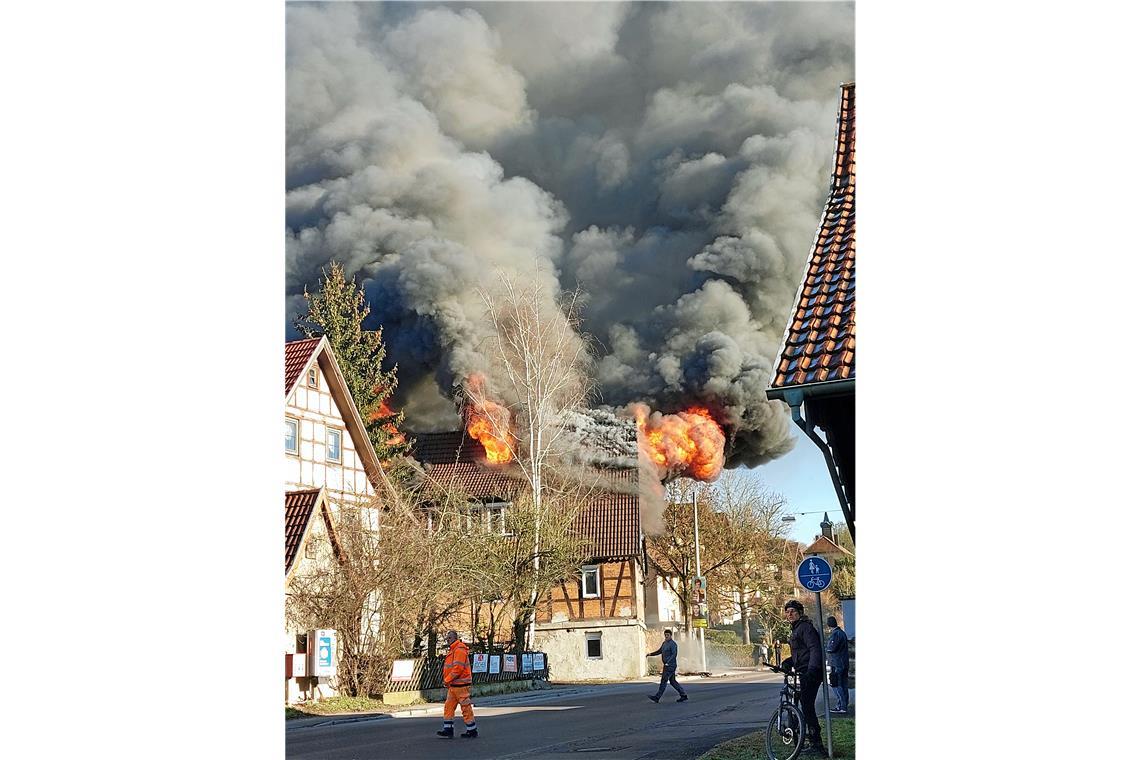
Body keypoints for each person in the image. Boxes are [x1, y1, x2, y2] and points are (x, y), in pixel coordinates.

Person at [785, 600, 826, 755]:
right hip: (803, 671)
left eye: (793, 611)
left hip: (810, 673)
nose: (790, 614)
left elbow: (814, 649)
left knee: (807, 707)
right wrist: (788, 662)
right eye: (787, 611)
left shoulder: (805, 628)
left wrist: (812, 670)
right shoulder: (796, 629)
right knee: (804, 705)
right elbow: (801, 652)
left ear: (800, 613)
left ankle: (817, 745)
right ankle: (809, 739)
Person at [436, 630, 477, 739]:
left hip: (461, 685)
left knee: (465, 708)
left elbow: (457, 669)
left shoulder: (459, 650)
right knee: (448, 707)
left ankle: (472, 730)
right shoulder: (454, 650)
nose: (447, 640)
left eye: (449, 638)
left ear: (455, 638)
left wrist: (446, 680)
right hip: (454, 685)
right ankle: (448, 729)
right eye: (447, 638)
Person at [645, 629, 689, 703]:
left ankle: (657, 697)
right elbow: (659, 651)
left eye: (667, 635)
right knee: (672, 681)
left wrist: (668, 662)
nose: (666, 636)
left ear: (670, 635)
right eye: (665, 635)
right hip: (667, 665)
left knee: (664, 681)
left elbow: (674, 654)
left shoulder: (673, 644)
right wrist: (650, 654)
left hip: (670, 665)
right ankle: (683, 695)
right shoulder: (664, 643)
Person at [825, 616, 850, 714]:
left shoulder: (835, 634)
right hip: (844, 663)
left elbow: (831, 648)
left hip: (836, 663)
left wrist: (825, 648)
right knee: (843, 684)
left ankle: (841, 706)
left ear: (829, 624)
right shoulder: (842, 633)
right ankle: (844, 705)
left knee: (835, 684)